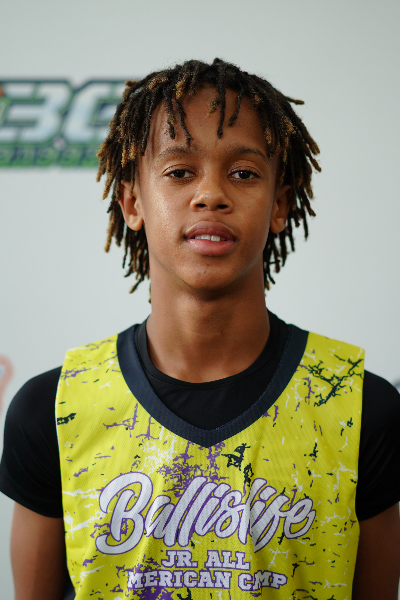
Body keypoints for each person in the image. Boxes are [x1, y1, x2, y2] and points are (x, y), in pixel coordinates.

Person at [1, 59, 399, 600]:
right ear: (132, 202)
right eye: (179, 172)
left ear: (280, 204)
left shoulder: (358, 407)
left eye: (244, 173)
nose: (211, 194)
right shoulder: (53, 410)